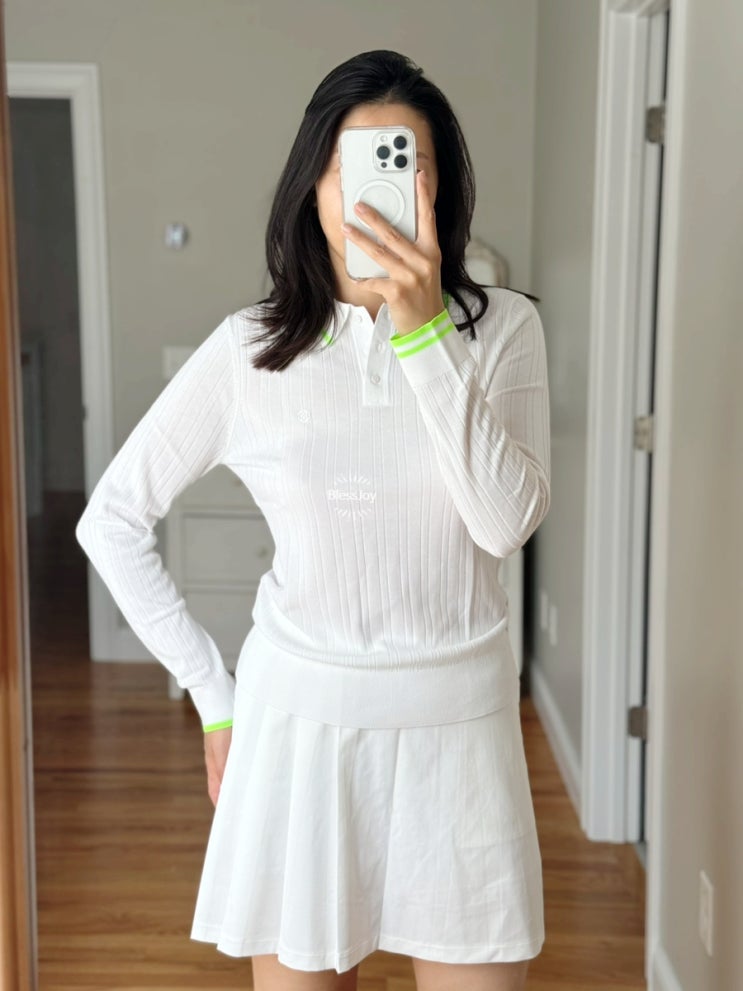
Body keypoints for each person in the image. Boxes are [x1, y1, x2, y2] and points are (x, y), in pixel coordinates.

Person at [76, 49, 551, 991]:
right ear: (313, 186)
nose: (375, 191)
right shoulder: (251, 349)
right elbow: (113, 518)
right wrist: (212, 694)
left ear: (438, 189)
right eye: (351, 164)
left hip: (462, 744)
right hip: (297, 737)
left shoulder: (503, 329)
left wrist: (423, 331)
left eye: (405, 163)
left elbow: (504, 524)